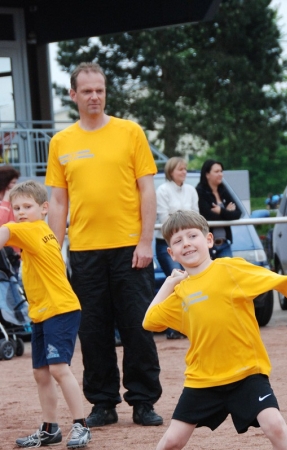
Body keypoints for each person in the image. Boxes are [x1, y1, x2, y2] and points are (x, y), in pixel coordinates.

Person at [108, 210, 287, 450]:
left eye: (192, 236)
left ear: (209, 240)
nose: (187, 243)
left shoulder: (230, 269)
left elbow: (282, 283)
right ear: (171, 253)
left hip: (246, 373)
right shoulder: (182, 291)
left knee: (275, 425)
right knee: (172, 441)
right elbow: (148, 321)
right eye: (178, 241)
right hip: (203, 380)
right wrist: (169, 285)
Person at [46, 62, 163, 429]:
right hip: (84, 251)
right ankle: (102, 402)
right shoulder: (61, 142)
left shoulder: (130, 133)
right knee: (93, 329)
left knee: (137, 326)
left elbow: (147, 189)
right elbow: (58, 202)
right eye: (87, 91)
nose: (94, 96)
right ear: (73, 95)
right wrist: (52, 252)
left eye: (100, 90)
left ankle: (143, 401)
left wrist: (146, 240)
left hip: (131, 247)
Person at [0, 181, 91, 450]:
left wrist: (8, 226)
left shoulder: (32, 229)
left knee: (59, 369)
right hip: (43, 312)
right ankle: (50, 428)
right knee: (41, 373)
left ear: (44, 208)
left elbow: (5, 231)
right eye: (16, 208)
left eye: (28, 206)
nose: (21, 212)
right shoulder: (41, 232)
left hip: (60, 309)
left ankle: (81, 425)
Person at [156, 156, 198, 339]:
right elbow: (164, 220)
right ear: (171, 171)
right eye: (180, 169)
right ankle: (172, 325)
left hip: (188, 242)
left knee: (192, 281)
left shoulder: (190, 190)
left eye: (185, 169)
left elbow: (196, 216)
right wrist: (184, 221)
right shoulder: (162, 190)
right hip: (167, 243)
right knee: (176, 280)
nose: (184, 172)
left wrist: (179, 219)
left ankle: (190, 323)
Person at [196, 159, 241, 259]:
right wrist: (228, 213)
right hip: (207, 245)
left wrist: (221, 211)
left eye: (221, 171)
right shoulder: (200, 192)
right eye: (216, 171)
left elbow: (238, 213)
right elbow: (207, 216)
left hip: (225, 243)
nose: (220, 174)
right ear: (207, 174)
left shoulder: (224, 190)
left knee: (228, 272)